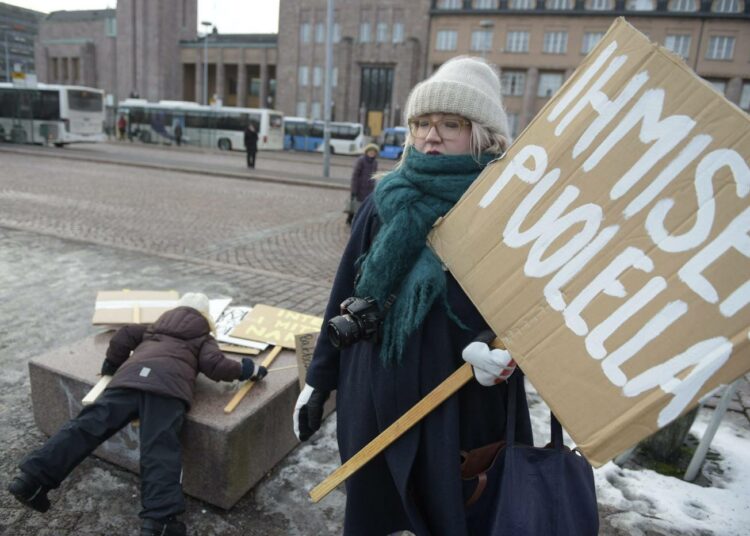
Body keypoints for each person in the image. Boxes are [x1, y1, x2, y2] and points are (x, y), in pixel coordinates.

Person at [293, 56, 533, 536]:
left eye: (451, 123)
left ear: (483, 133)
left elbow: (535, 310)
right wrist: (319, 382)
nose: (432, 135)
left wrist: (506, 356)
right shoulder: (385, 199)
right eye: (422, 122)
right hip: (374, 397)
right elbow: (344, 293)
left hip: (457, 403)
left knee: (454, 512)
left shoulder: (508, 210)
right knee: (374, 511)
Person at [7, 293, 268, 536]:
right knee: (160, 450)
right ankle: (161, 520)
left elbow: (123, 336)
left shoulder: (153, 327)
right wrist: (249, 369)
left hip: (128, 380)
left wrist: (111, 364)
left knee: (85, 427)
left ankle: (31, 481)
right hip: (166, 389)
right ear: (206, 317)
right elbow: (217, 366)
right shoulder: (203, 337)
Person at [346, 142, 380, 225]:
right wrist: (354, 190)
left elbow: (374, 175)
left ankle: (359, 220)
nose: (372, 153)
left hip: (369, 189)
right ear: (367, 152)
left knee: (364, 206)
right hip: (360, 188)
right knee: (356, 205)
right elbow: (355, 176)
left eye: (374, 152)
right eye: (370, 151)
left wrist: (374, 187)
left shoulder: (375, 162)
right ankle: (351, 219)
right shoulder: (361, 160)